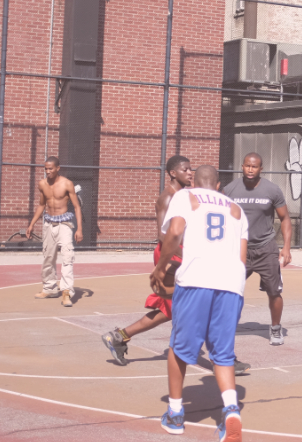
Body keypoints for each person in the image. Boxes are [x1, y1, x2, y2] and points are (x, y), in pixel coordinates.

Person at [101, 156, 251, 375]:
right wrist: (192, 252)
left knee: (173, 308)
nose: (190, 173)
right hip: (171, 254)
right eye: (185, 170)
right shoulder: (169, 198)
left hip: (182, 254)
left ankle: (119, 336)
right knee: (194, 302)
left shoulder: (189, 197)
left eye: (191, 170)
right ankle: (223, 358)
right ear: (173, 173)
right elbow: (164, 235)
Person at [152, 165, 248, 442]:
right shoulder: (236, 209)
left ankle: (176, 414)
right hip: (232, 283)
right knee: (223, 352)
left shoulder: (186, 196)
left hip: (196, 279)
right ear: (219, 186)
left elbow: (175, 232)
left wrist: (160, 267)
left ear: (194, 182)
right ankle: (231, 409)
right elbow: (242, 257)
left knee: (179, 348)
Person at [223, 152, 292, 345]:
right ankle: (222, 326)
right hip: (239, 250)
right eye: (247, 166)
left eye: (254, 167)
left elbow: (285, 218)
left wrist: (286, 247)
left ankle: (276, 328)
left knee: (274, 292)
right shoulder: (230, 189)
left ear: (261, 169)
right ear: (242, 166)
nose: (250, 169)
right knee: (227, 290)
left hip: (265, 248)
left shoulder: (272, 190)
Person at [27, 157, 84, 308]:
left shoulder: (67, 184)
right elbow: (41, 205)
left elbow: (77, 207)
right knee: (48, 257)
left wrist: (79, 229)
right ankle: (50, 288)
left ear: (58, 168)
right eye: (46, 168)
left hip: (64, 224)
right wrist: (31, 224)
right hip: (48, 224)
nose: (48, 171)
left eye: (51, 168)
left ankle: (66, 292)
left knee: (67, 257)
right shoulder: (42, 184)